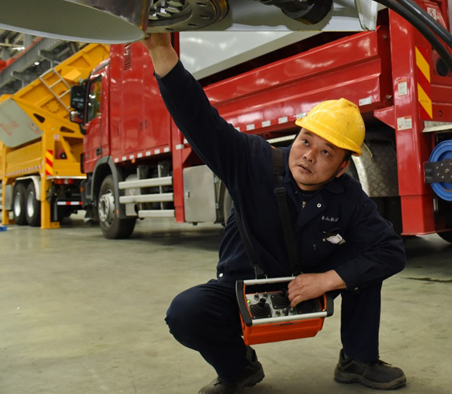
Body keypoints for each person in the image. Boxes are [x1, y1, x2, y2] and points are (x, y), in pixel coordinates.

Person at [142, 33, 407, 394]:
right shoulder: (252, 161)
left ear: (343, 167)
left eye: (327, 153)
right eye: (306, 141)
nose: (309, 156)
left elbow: (391, 250)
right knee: (185, 313)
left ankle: (358, 360)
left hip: (310, 282)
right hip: (243, 284)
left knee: (367, 258)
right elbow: (200, 119)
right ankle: (239, 370)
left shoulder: (349, 197)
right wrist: (161, 51)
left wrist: (329, 279)